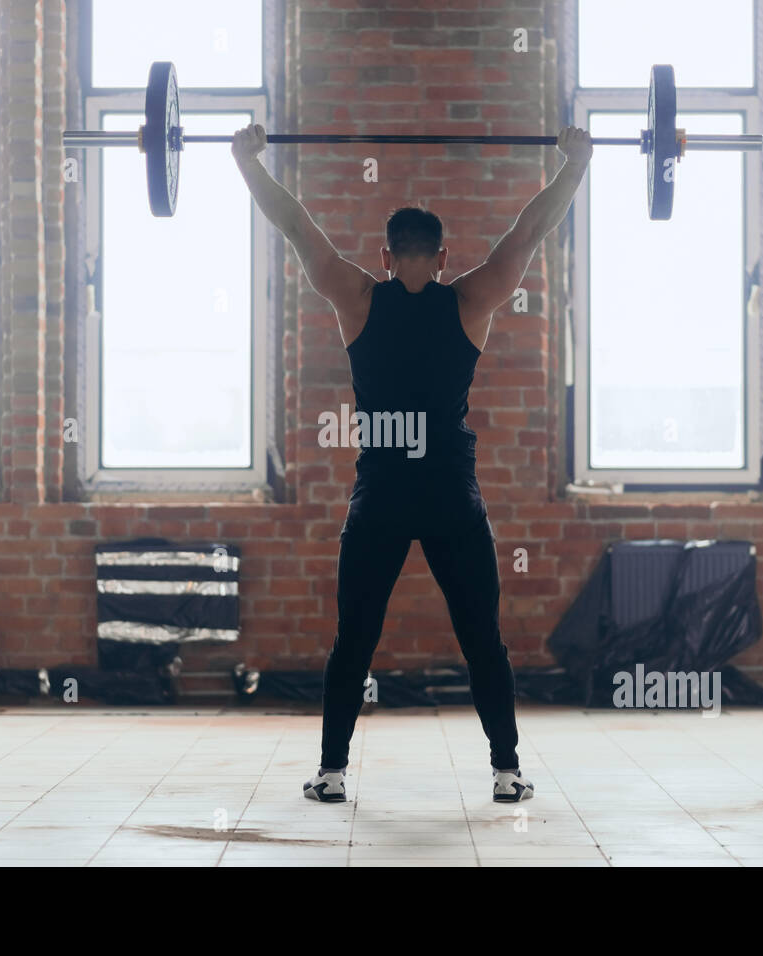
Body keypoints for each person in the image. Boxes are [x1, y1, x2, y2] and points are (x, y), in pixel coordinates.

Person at [231, 123, 593, 803]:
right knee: (482, 637)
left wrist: (247, 162)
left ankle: (332, 775)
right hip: (452, 495)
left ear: (388, 255)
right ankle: (507, 775)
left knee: (354, 639)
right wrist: (574, 165)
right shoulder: (472, 300)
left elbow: (295, 225)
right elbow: (527, 233)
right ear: (443, 255)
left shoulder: (357, 298)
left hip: (383, 494)